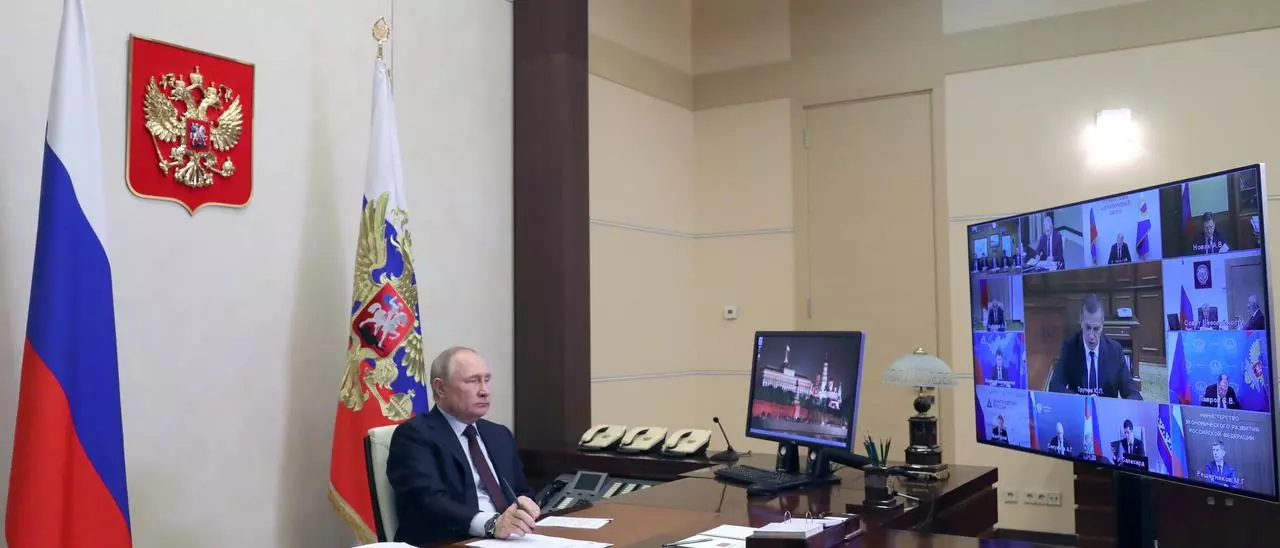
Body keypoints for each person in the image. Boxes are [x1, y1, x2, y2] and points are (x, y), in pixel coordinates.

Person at [387, 346, 539, 545]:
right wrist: (491, 524)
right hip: (450, 541)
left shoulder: (499, 434)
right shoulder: (414, 435)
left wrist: (525, 505)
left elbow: (521, 490)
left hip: (509, 538)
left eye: (487, 380)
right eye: (473, 381)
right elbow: (428, 501)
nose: (484, 391)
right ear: (441, 388)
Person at [1048, 294, 1142, 399]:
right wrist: (1079, 400)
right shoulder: (1070, 348)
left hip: (1106, 408)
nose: (1091, 336)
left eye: (1096, 329)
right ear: (1081, 322)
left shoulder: (1115, 350)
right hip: (1080, 407)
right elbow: (1054, 386)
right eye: (1088, 328)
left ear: (1102, 325)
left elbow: (1133, 393)